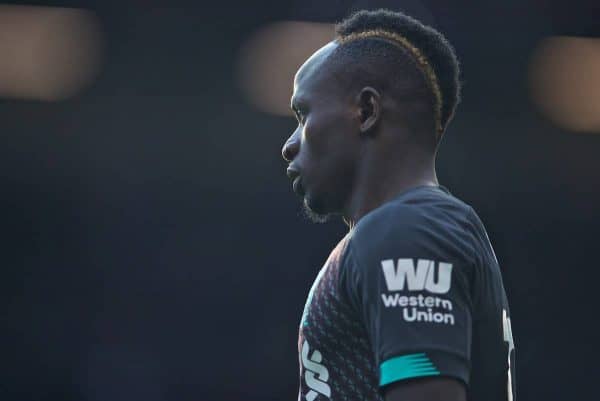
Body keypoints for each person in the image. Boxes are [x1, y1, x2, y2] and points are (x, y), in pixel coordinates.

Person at [281, 9, 515, 401]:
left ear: (367, 111)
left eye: (303, 115)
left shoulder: (408, 231)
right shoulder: (406, 229)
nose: (289, 145)